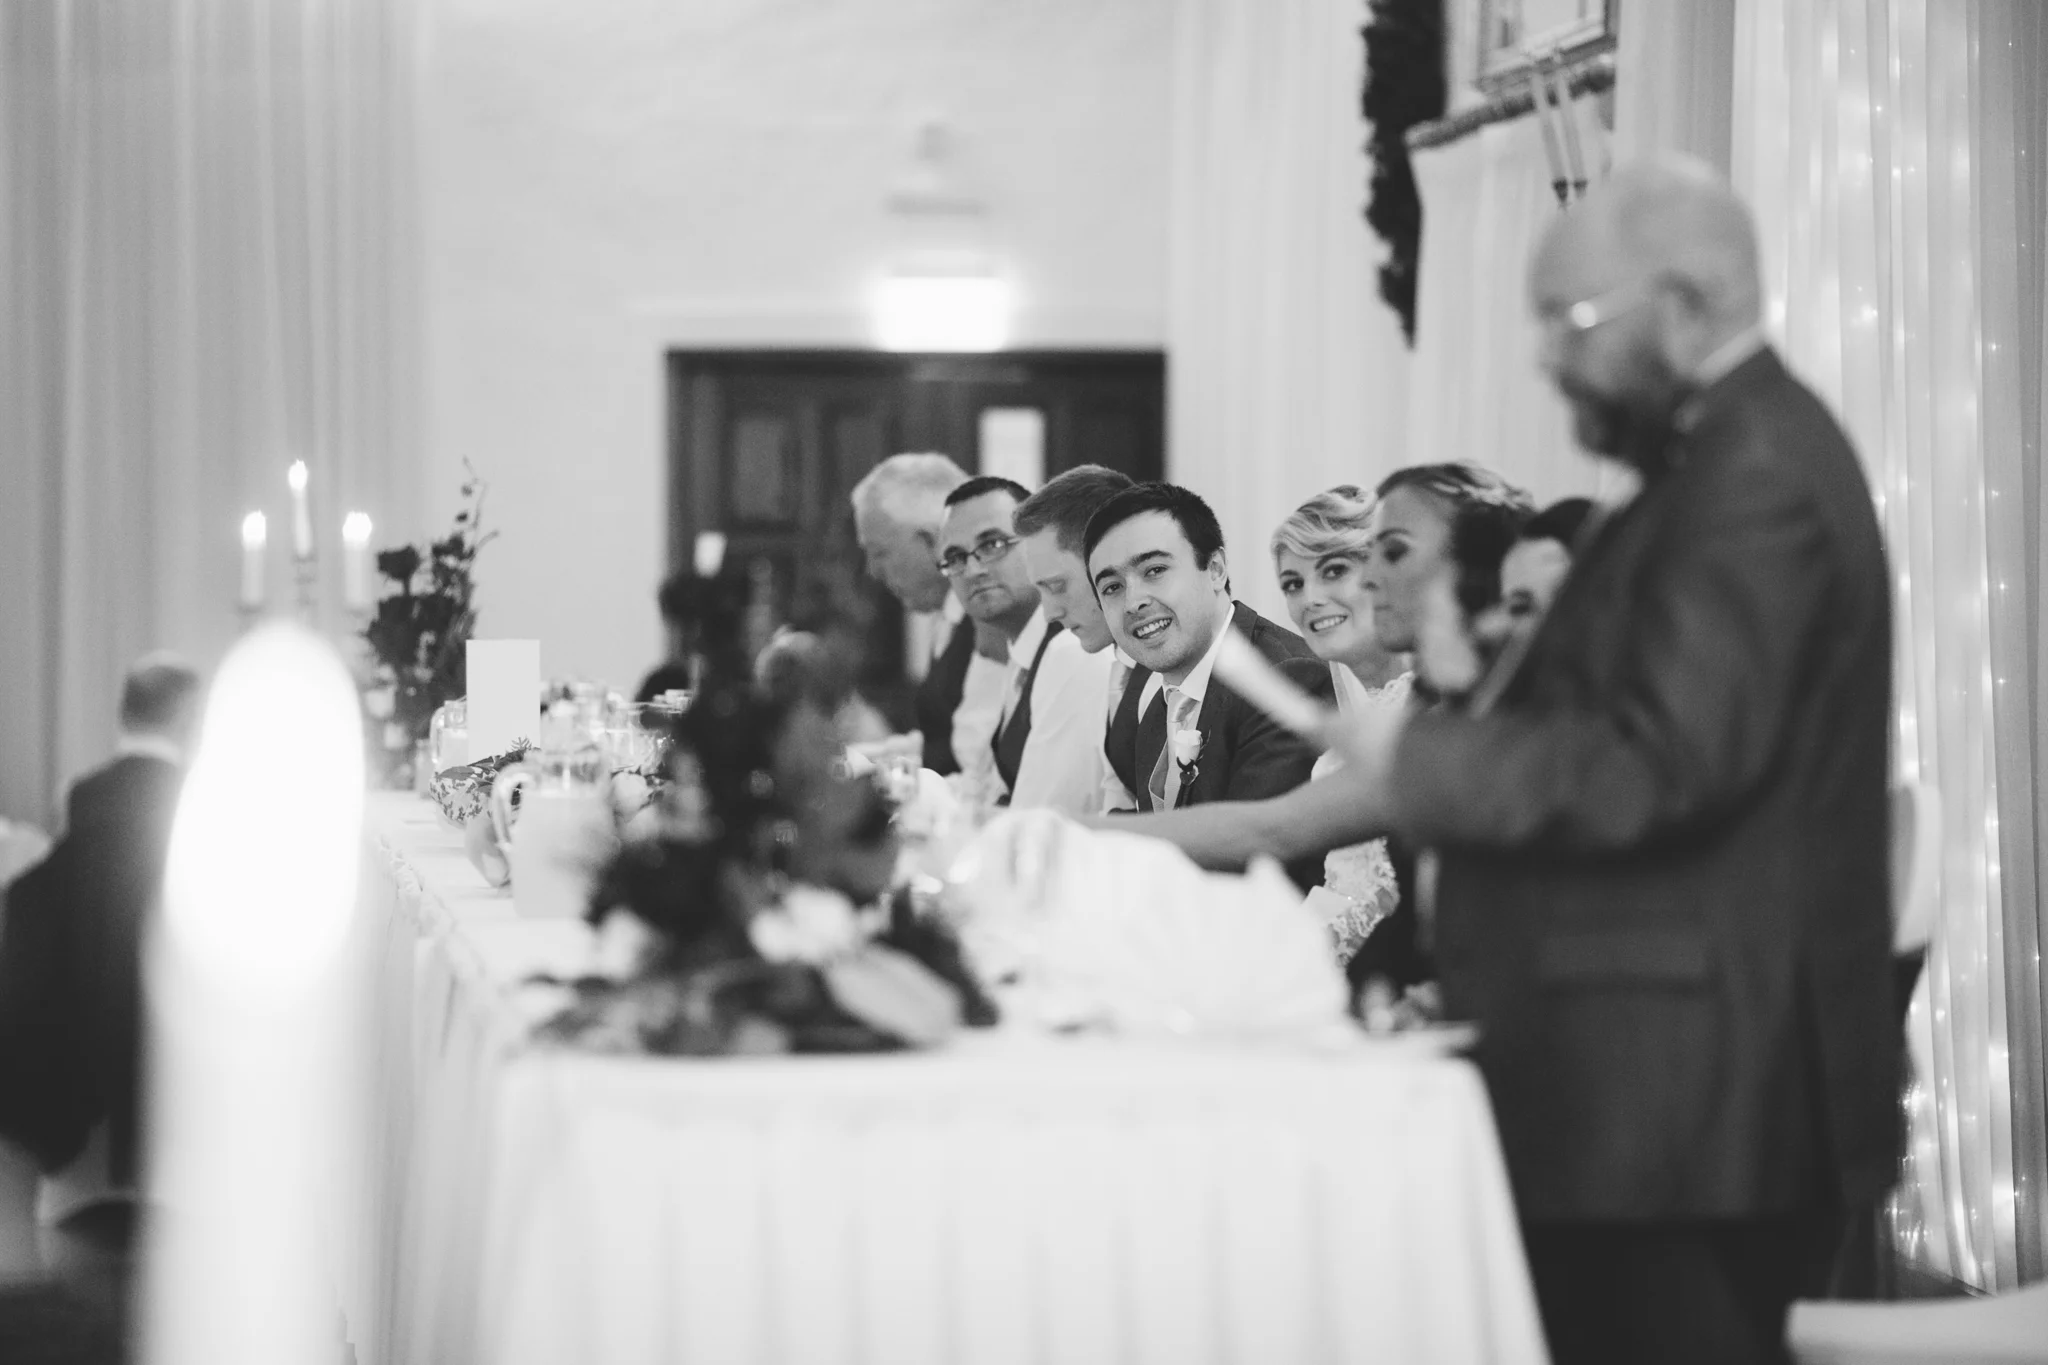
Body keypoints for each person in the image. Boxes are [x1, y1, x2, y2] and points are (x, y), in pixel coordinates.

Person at [1328, 158, 1897, 1364]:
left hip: (1693, 1093)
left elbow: (1662, 761)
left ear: (1685, 307)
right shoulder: (1704, 469)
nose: (1545, 356)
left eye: (1569, 322)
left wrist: (1415, 758)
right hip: (1659, 1083)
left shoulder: (1752, 480)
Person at [0, 655, 203, 1304]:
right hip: (170, 1012)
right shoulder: (201, 800)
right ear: (186, 716)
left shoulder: (80, 793)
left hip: (77, 1025)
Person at [1083, 481, 1331, 888]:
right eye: (1112, 588)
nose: (1133, 602)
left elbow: (1253, 865)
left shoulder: (1284, 678)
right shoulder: (1157, 689)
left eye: (1155, 571)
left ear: (1216, 569)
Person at [1270, 486, 1410, 961]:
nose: (1310, 599)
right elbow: (1341, 897)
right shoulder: (1345, 735)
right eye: (1293, 584)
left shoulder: (1426, 718)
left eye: (1333, 571)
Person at [938, 477, 1113, 817]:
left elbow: (1042, 821)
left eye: (992, 544)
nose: (973, 570)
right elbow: (994, 788)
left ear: (1037, 544)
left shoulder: (1074, 648)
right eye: (955, 558)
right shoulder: (1022, 648)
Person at [849, 452, 1007, 776]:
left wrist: (878, 767)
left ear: (931, 541)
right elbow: (951, 738)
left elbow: (980, 758)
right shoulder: (948, 616)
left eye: (880, 553)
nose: (873, 572)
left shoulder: (992, 622)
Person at [1011, 464, 1136, 812]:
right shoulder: (1120, 663)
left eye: (1057, 586)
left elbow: (1044, 818)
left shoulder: (1080, 657)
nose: (1050, 613)